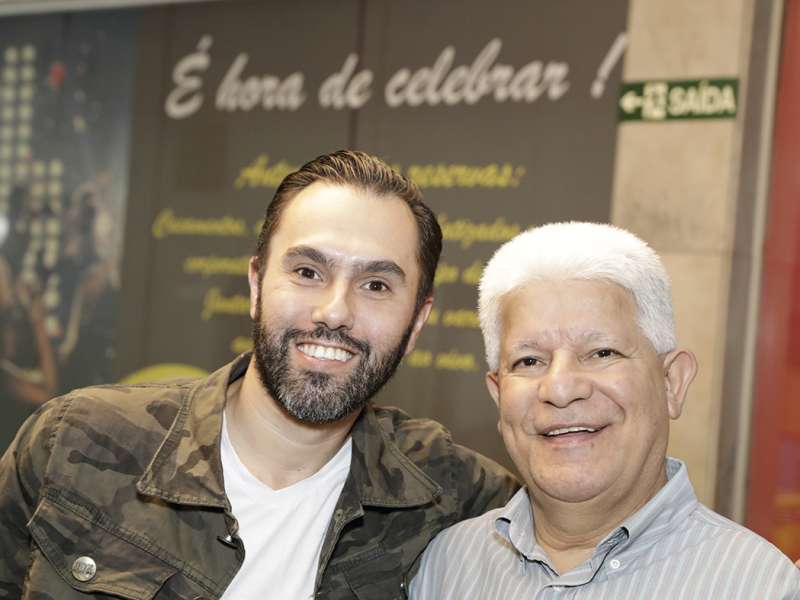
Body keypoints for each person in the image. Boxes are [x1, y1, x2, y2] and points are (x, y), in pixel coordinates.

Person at [0, 150, 517, 599]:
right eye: (307, 272)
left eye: (376, 285)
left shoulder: (459, 500)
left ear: (418, 320)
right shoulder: (73, 444)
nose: (334, 312)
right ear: (256, 284)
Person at [411, 222, 800, 599]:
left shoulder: (761, 587)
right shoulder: (445, 567)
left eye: (602, 353)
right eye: (529, 361)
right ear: (499, 396)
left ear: (672, 382)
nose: (561, 389)